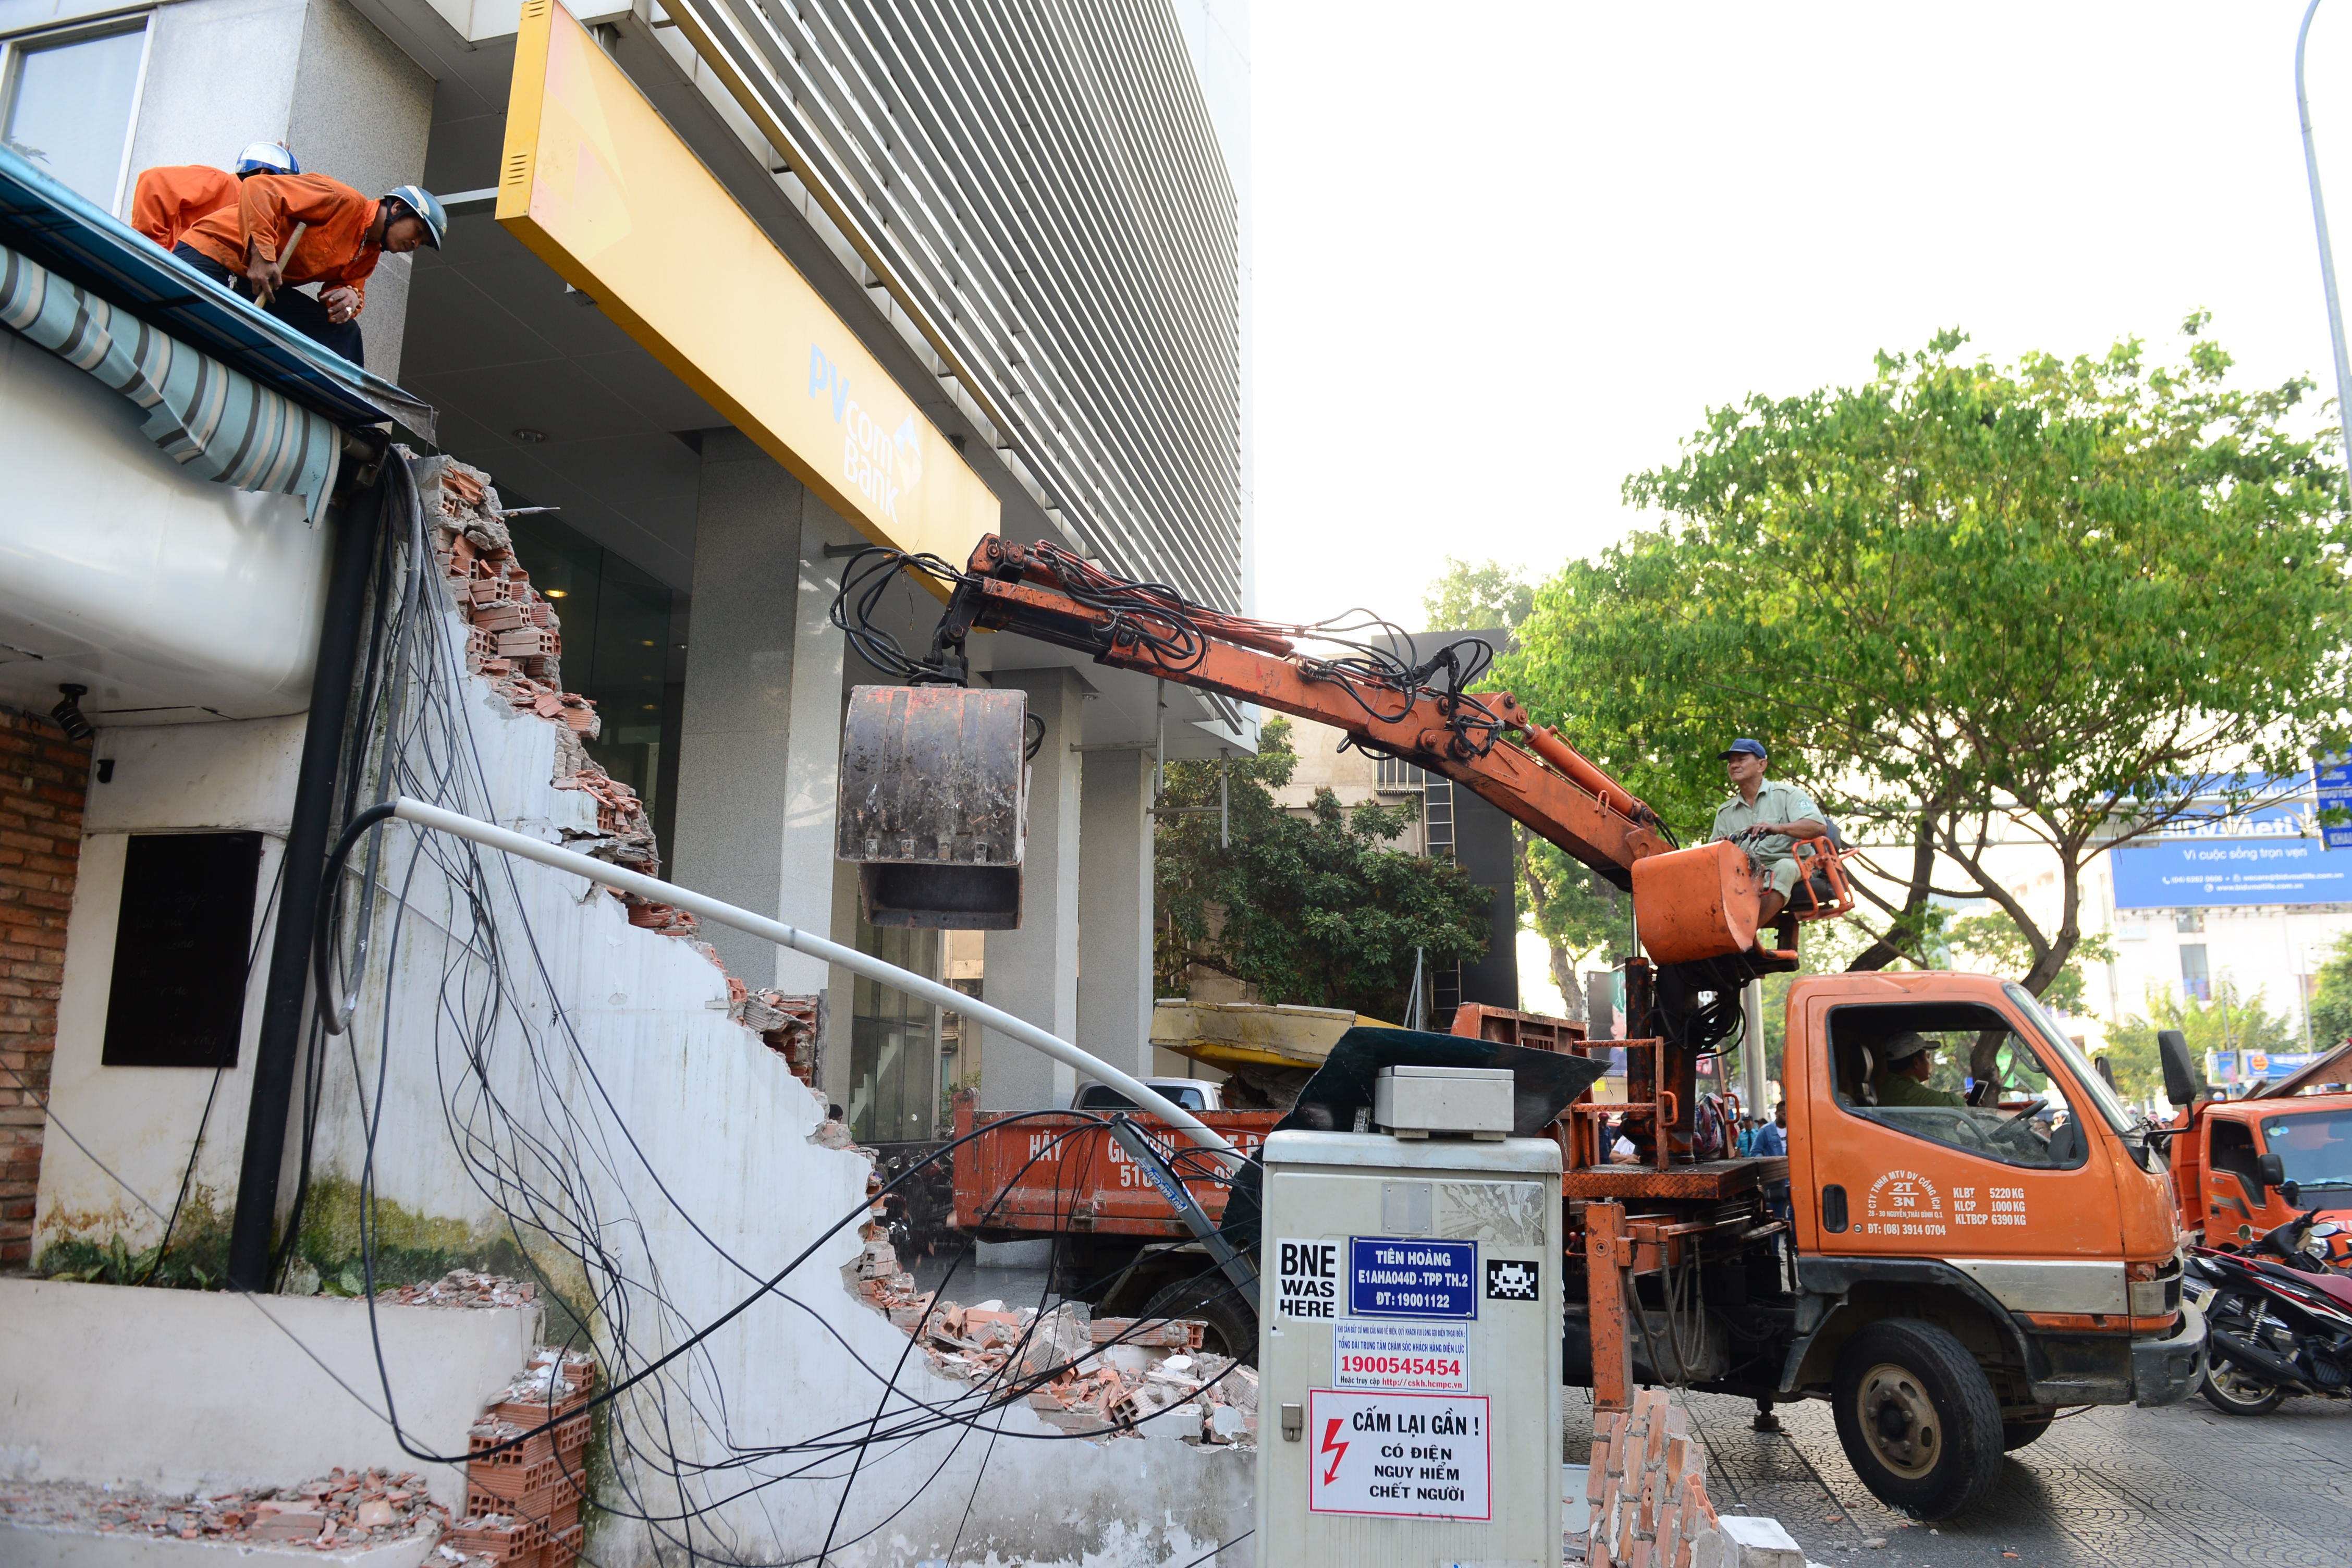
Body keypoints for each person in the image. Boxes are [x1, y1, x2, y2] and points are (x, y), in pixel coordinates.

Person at [175, 175, 445, 365]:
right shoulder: (341, 200)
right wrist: (261, 253)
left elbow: (345, 291)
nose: (415, 244)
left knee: (345, 333)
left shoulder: (369, 253)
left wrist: (349, 300)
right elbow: (260, 188)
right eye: (418, 232)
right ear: (397, 208)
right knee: (196, 330)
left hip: (259, 285)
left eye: (422, 243)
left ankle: (342, 417)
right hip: (211, 254)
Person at [1709, 739, 1831, 932]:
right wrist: (1720, 846)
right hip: (1746, 872)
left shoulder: (1788, 794)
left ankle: (1744, 936)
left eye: (1741, 759)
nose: (1734, 765)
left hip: (1794, 864)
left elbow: (1818, 826)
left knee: (1783, 868)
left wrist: (1778, 828)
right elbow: (1711, 857)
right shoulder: (1725, 812)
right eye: (1730, 762)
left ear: (1762, 765)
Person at [129, 142, 300, 253]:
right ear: (265, 174)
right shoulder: (222, 184)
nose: (284, 194)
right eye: (284, 184)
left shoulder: (270, 219)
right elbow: (156, 182)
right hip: (181, 268)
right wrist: (152, 249)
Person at [1875, 1033, 1965, 1109]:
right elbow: (1955, 1104)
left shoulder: (1894, 1086)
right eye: (1927, 1057)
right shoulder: (1906, 1092)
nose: (1929, 1063)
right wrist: (1964, 1102)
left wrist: (1963, 1099)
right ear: (1916, 1063)